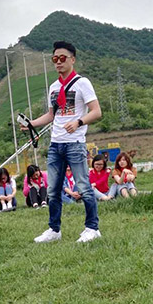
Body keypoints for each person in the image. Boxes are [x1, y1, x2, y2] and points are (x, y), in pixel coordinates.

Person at [21, 40, 102, 242]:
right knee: (53, 190)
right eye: (55, 59)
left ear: (72, 59)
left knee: (83, 187)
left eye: (62, 58)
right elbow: (51, 115)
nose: (58, 62)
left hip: (75, 143)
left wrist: (79, 122)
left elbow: (97, 111)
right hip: (55, 144)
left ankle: (92, 228)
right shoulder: (54, 87)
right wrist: (31, 124)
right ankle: (54, 230)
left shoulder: (83, 83)